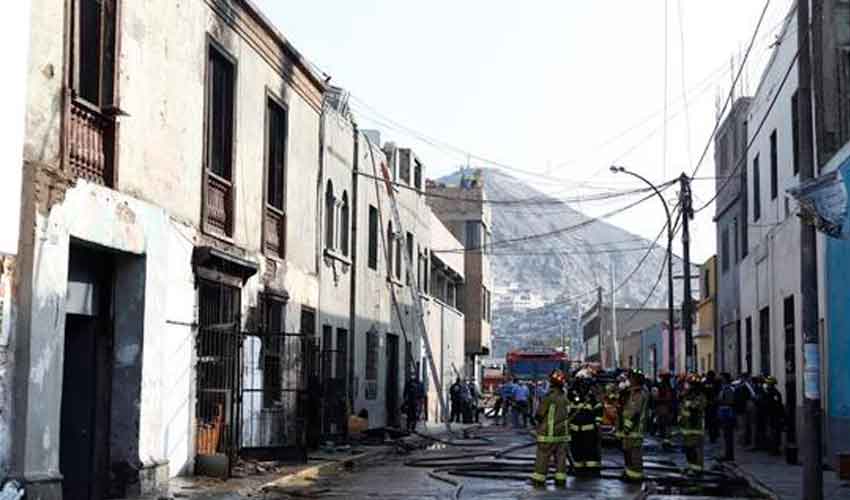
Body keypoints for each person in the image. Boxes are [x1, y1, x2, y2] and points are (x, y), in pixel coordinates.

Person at [531, 369, 571, 487]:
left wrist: (536, 421)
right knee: (561, 459)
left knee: (543, 457)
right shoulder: (565, 398)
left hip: (548, 434)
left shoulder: (549, 397)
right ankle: (560, 480)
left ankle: (539, 480)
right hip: (563, 435)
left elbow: (539, 414)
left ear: (552, 383)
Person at [568, 369, 603, 477]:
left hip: (589, 430)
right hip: (576, 430)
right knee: (577, 450)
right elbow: (569, 411)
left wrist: (597, 424)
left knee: (589, 450)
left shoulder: (592, 398)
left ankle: (591, 469)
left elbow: (598, 410)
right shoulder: (573, 397)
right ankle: (579, 468)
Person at [618, 370, 649, 482]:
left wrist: (627, 427)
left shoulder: (640, 394)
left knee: (634, 453)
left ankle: (636, 476)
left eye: (631, 378)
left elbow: (636, 413)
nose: (629, 380)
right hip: (628, 429)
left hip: (635, 429)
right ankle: (629, 472)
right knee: (627, 451)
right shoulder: (631, 393)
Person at [679, 373, 707, 476]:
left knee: (695, 450)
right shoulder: (687, 395)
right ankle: (691, 467)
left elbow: (695, 407)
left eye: (691, 384)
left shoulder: (700, 396)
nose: (689, 386)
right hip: (687, 428)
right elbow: (682, 407)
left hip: (695, 428)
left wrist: (688, 402)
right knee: (688, 450)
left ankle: (697, 470)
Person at [717, 372, 737, 461]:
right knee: (725, 436)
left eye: (721, 378)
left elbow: (730, 401)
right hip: (724, 414)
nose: (720, 379)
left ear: (725, 379)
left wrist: (720, 402)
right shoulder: (723, 388)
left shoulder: (728, 389)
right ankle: (727, 454)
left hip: (728, 415)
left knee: (728, 436)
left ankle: (729, 455)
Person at [764, 376, 784, 455]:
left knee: (774, 433)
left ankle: (774, 449)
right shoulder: (769, 393)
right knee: (772, 433)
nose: (767, 385)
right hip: (770, 416)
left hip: (774, 416)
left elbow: (777, 405)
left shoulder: (775, 393)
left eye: (768, 384)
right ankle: (772, 448)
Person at [654, 372, 675, 448]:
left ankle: (665, 439)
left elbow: (657, 397)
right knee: (666, 424)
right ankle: (666, 439)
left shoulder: (662, 386)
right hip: (665, 407)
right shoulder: (667, 386)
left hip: (664, 407)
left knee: (664, 423)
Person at [703, 371, 721, 444]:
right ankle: (714, 434)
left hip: (709, 404)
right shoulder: (717, 382)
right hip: (714, 404)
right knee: (714, 421)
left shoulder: (705, 383)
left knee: (710, 421)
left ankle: (712, 435)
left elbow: (702, 392)